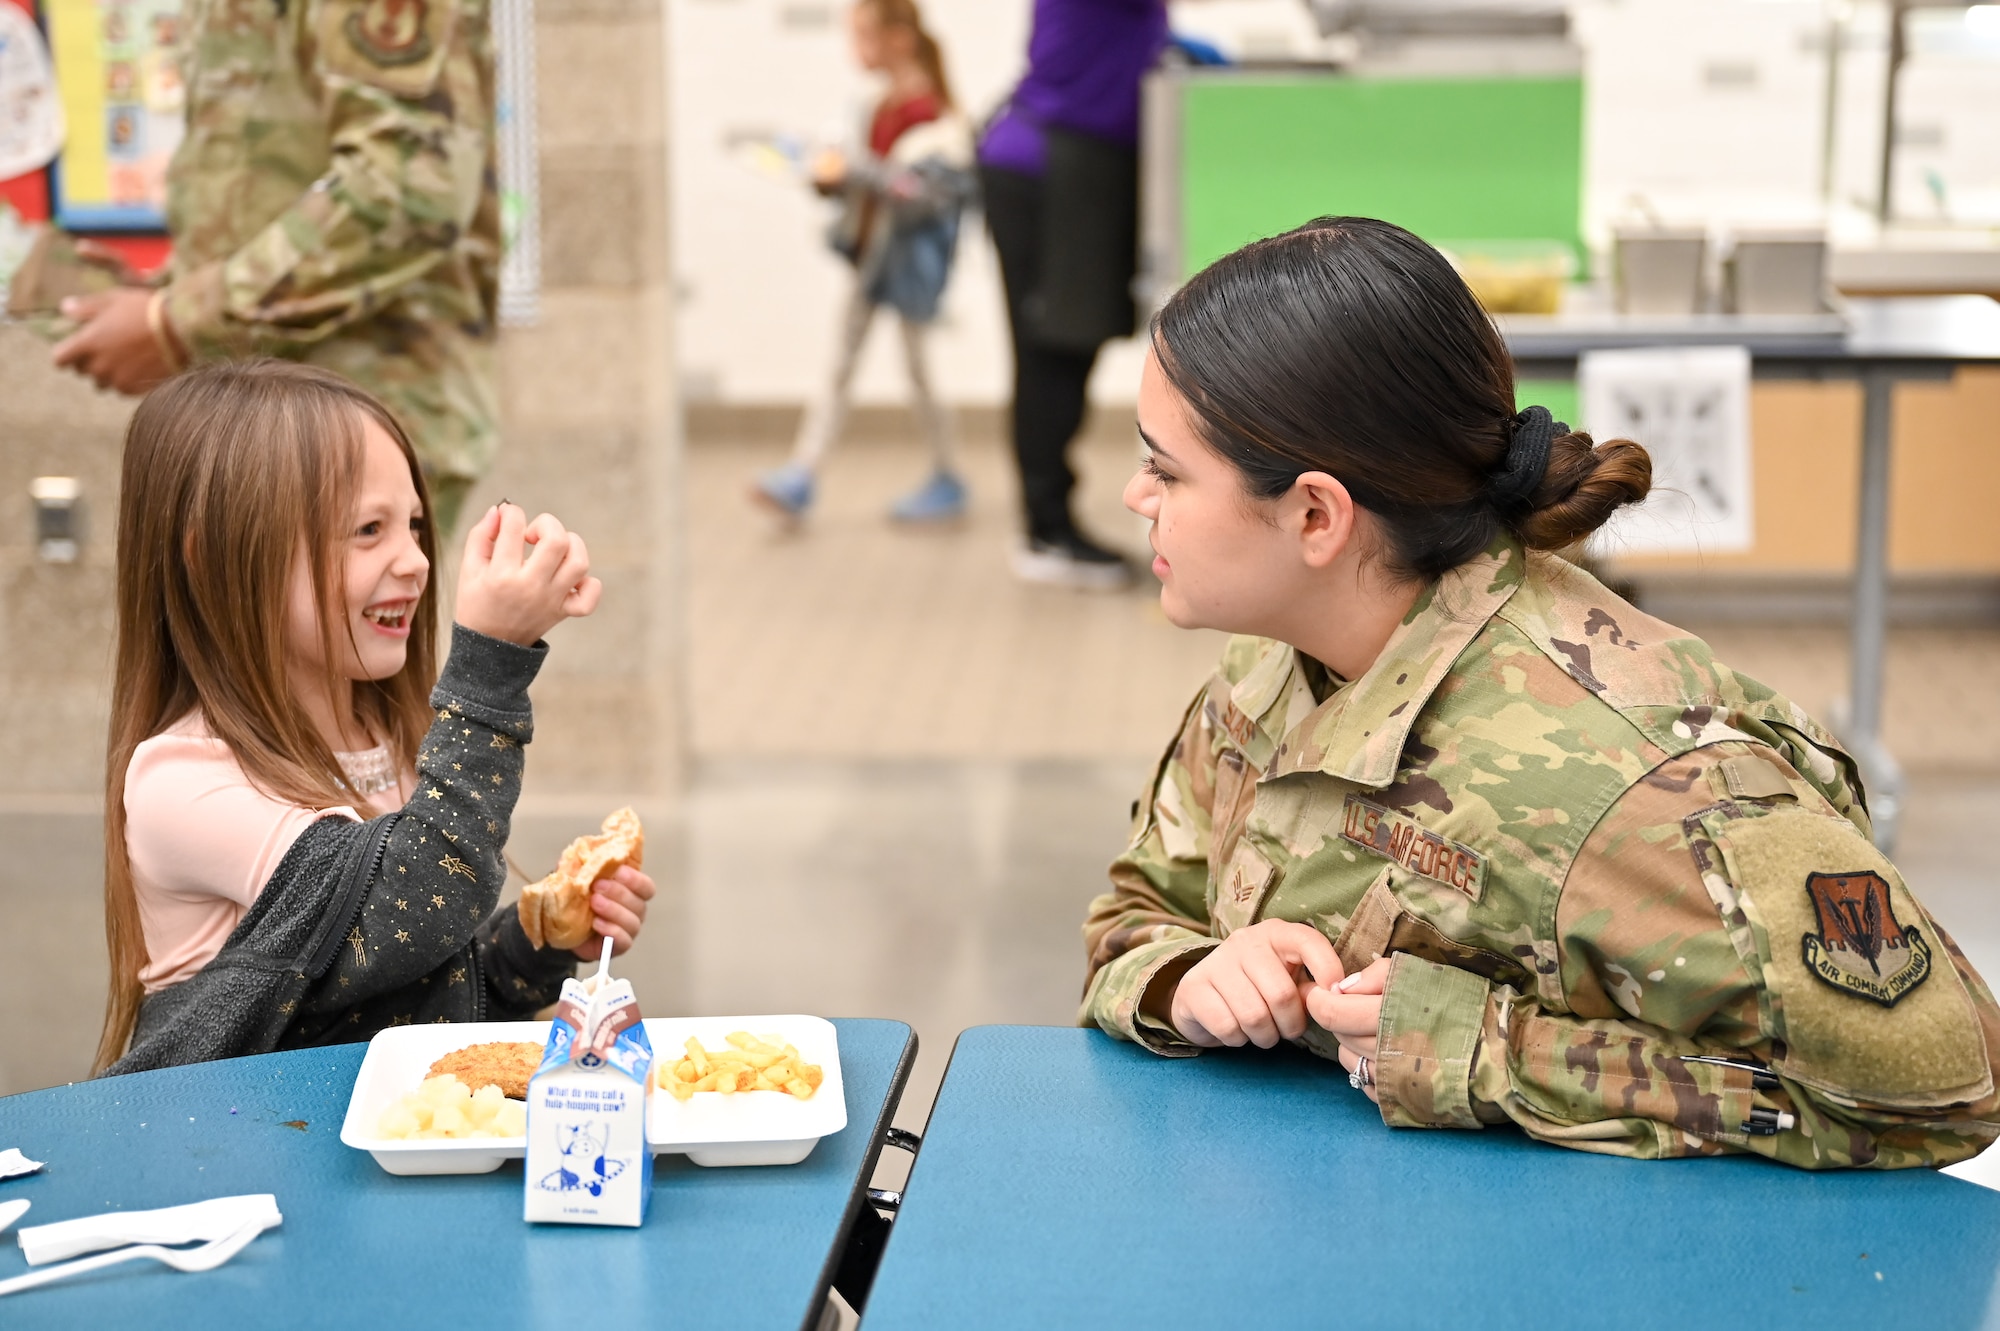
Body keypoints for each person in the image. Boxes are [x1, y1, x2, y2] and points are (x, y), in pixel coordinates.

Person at [1082, 217, 2000, 1169]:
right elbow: (1132, 916)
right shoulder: (1276, 661)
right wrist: (1187, 979)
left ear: (1316, 514)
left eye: (1164, 468)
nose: (1134, 496)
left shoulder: (1631, 783)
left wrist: (1487, 1048)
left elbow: (1942, 1093)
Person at [96, 360, 655, 1076]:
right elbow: (409, 907)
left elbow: (412, 992)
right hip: (236, 1166)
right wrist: (489, 665)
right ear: (213, 558)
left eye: (416, 525)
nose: (416, 560)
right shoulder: (181, 782)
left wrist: (538, 938)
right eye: (368, 529)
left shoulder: (384, 739)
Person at [50, 0, 501, 537]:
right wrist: (162, 298)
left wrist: (177, 319)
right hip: (261, 421)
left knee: (346, 619)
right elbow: (267, 177)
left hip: (357, 422)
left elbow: (409, 186)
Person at [753, 0, 976, 525]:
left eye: (865, 37)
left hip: (909, 274)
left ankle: (947, 474)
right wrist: (832, 180)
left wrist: (861, 171)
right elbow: (868, 190)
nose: (857, 50)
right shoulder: (874, 106)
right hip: (870, 262)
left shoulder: (936, 119)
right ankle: (803, 472)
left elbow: (920, 196)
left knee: (918, 374)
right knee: (840, 368)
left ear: (898, 38)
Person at [980, 0, 1168, 590]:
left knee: (1067, 347)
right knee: (1051, 351)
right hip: (1051, 166)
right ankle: (1046, 531)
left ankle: (1049, 523)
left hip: (1075, 160)